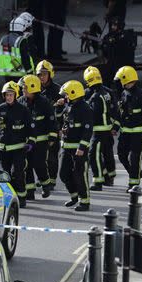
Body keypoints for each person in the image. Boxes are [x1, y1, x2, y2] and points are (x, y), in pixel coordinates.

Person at [0, 81, 36, 208]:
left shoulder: (22, 110)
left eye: (11, 94)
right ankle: (9, 197)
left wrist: (31, 141)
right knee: (5, 175)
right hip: (3, 150)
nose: (8, 97)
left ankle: (22, 198)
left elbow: (31, 127)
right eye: (7, 95)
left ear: (15, 95)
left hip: (19, 149)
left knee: (18, 173)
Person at [114, 66, 142, 191]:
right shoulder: (124, 93)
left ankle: (133, 185)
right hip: (125, 133)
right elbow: (120, 113)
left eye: (121, 79)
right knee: (121, 155)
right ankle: (136, 173)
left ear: (126, 79)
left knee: (134, 158)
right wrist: (115, 127)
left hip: (138, 134)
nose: (120, 82)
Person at [56, 80, 93, 211]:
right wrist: (59, 107)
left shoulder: (85, 108)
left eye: (66, 94)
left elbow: (88, 130)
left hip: (78, 149)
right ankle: (74, 196)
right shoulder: (68, 105)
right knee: (63, 174)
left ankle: (85, 201)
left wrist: (82, 148)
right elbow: (60, 119)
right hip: (66, 147)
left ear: (73, 93)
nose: (65, 97)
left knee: (80, 174)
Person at [17, 75, 56, 199]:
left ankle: (45, 184)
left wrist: (52, 138)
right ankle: (30, 191)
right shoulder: (21, 101)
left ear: (33, 87)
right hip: (26, 141)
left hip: (41, 141)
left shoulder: (44, 102)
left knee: (39, 164)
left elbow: (52, 121)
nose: (23, 89)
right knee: (26, 165)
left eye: (25, 87)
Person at [83, 66, 118, 191]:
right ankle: (109, 177)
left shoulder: (92, 95)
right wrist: (115, 125)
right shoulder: (107, 92)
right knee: (107, 154)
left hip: (97, 131)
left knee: (94, 155)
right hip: (106, 129)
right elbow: (116, 111)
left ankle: (98, 181)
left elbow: (89, 113)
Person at [36, 60, 61, 188]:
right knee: (40, 156)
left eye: (44, 74)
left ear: (50, 74)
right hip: (40, 129)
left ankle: (52, 180)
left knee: (52, 156)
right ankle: (43, 178)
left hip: (54, 128)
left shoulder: (58, 91)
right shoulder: (35, 89)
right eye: (40, 74)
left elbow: (65, 111)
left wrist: (61, 128)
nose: (42, 77)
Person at [101, 17, 137, 88]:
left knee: (124, 83)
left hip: (125, 64)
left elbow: (129, 48)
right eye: (112, 25)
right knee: (106, 80)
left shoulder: (127, 35)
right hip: (112, 64)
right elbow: (104, 47)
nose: (112, 27)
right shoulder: (110, 36)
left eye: (115, 25)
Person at [0, 16, 35, 83]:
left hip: (6, 73)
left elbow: (0, 56)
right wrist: (30, 72)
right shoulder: (21, 40)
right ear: (22, 27)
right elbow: (25, 58)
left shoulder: (3, 39)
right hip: (19, 73)